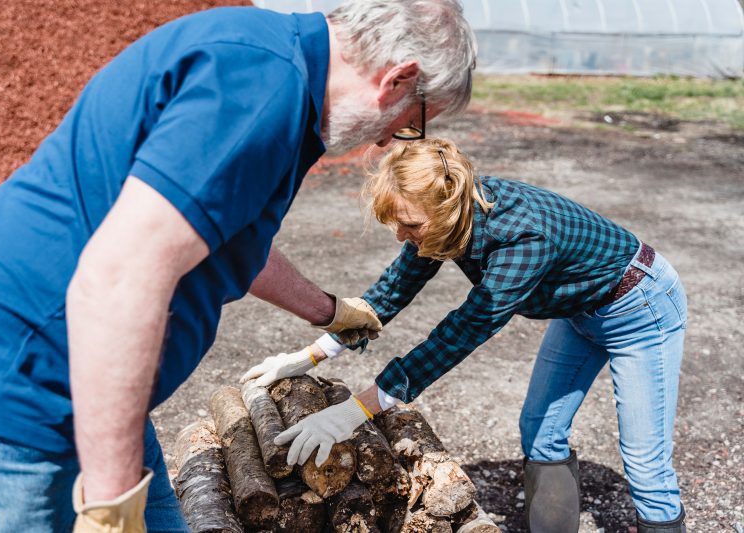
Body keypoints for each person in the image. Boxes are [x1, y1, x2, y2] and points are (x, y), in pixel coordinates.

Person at [0, 2, 477, 531]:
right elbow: (120, 278)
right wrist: (111, 508)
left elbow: (229, 239)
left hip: (87, 374)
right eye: (410, 123)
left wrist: (329, 312)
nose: (387, 140)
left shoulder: (280, 78)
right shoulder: (260, 90)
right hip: (18, 389)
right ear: (398, 79)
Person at [243, 138, 689, 533]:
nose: (402, 235)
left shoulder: (523, 236)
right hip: (579, 312)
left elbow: (462, 332)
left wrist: (359, 407)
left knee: (645, 462)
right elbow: (393, 290)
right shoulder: (445, 213)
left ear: (450, 207)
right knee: (540, 431)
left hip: (640, 308)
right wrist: (313, 354)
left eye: (410, 225)